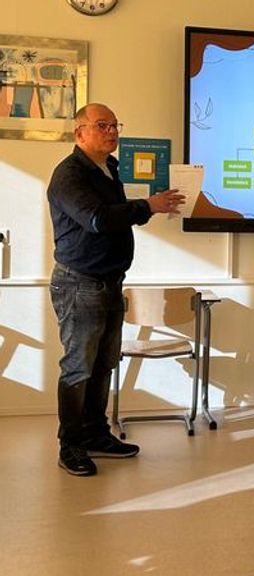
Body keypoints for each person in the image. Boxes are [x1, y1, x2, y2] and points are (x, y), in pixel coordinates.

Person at [48, 103, 185, 476]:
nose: (112, 132)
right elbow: (96, 219)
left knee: (104, 363)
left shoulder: (109, 167)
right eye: (102, 125)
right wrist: (148, 205)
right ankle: (71, 446)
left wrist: (148, 207)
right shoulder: (69, 175)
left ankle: (96, 434)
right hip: (80, 284)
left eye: (114, 125)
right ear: (79, 132)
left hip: (110, 282)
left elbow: (116, 217)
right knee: (78, 367)